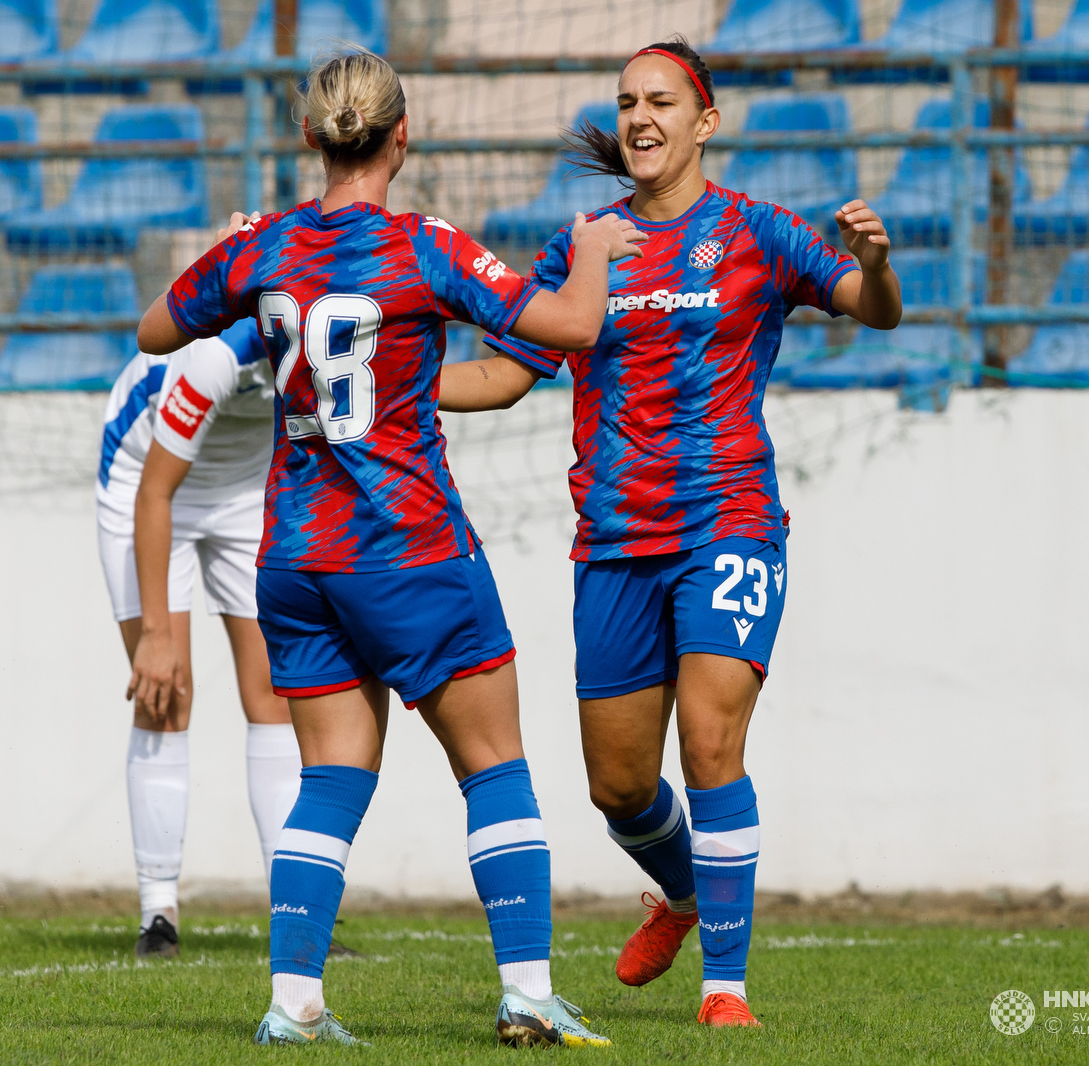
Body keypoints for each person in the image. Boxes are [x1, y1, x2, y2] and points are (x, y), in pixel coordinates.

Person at [133, 46, 647, 1047]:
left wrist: (218, 253)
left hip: (295, 558)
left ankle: (294, 1004)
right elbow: (575, 327)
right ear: (402, 136)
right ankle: (529, 992)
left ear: (308, 138)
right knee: (492, 763)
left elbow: (156, 330)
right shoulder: (425, 248)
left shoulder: (266, 246)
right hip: (407, 546)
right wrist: (591, 250)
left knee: (329, 778)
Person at [438, 37, 902, 1029]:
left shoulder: (759, 233)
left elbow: (874, 311)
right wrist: (402, 387)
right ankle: (684, 895)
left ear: (705, 119)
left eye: (659, 100)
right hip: (612, 538)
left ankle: (725, 990)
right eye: (625, 102)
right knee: (617, 785)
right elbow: (508, 372)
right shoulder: (583, 245)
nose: (639, 118)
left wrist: (872, 262)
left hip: (727, 520)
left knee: (710, 737)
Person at [98, 232, 301, 958]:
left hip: (243, 489)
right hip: (145, 483)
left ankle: (294, 909)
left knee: (277, 693)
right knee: (167, 690)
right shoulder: (219, 353)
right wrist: (156, 632)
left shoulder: (330, 324)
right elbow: (156, 491)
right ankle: (160, 913)